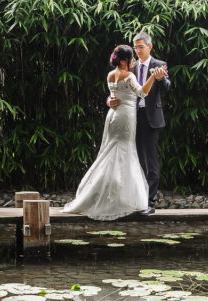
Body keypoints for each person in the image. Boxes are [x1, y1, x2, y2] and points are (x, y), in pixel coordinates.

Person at [63, 45, 167, 220]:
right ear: (126, 60)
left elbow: (114, 93)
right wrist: (152, 77)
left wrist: (110, 100)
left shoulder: (110, 74)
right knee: (123, 153)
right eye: (132, 55)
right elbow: (142, 92)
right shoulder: (129, 75)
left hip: (113, 117)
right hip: (125, 117)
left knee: (110, 152)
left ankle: (101, 192)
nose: (134, 58)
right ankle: (119, 198)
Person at [108, 32, 171, 215]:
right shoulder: (130, 65)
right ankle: (132, 200)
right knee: (130, 159)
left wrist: (159, 78)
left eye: (141, 47)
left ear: (150, 46)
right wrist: (109, 101)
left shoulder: (159, 65)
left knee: (150, 161)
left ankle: (150, 203)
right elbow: (116, 90)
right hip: (128, 116)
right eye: (135, 47)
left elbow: (167, 87)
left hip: (150, 117)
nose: (137, 50)